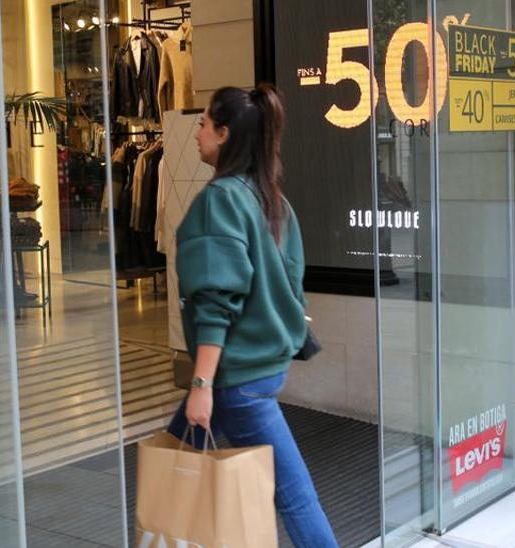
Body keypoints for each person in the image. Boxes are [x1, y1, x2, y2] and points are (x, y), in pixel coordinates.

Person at [166, 84, 338, 548]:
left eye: (203, 123)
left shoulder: (219, 201)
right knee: (170, 466)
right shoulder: (271, 199)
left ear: (223, 134)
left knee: (294, 496)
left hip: (234, 380)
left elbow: (214, 303)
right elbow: (291, 278)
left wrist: (201, 384)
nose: (197, 131)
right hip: (258, 371)